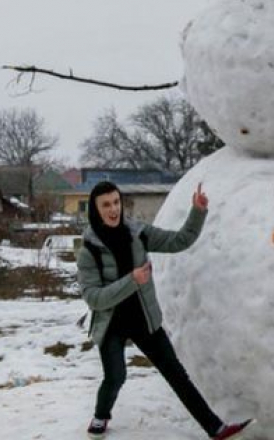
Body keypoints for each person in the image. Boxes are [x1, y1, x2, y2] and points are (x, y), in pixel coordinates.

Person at [76, 180, 253, 440]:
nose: (113, 209)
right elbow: (94, 299)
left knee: (176, 374)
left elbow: (180, 240)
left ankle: (216, 428)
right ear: (95, 209)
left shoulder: (138, 233)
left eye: (116, 202)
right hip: (111, 323)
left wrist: (198, 212)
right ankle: (101, 415)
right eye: (106, 205)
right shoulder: (88, 251)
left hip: (144, 319)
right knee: (115, 377)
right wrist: (131, 281)